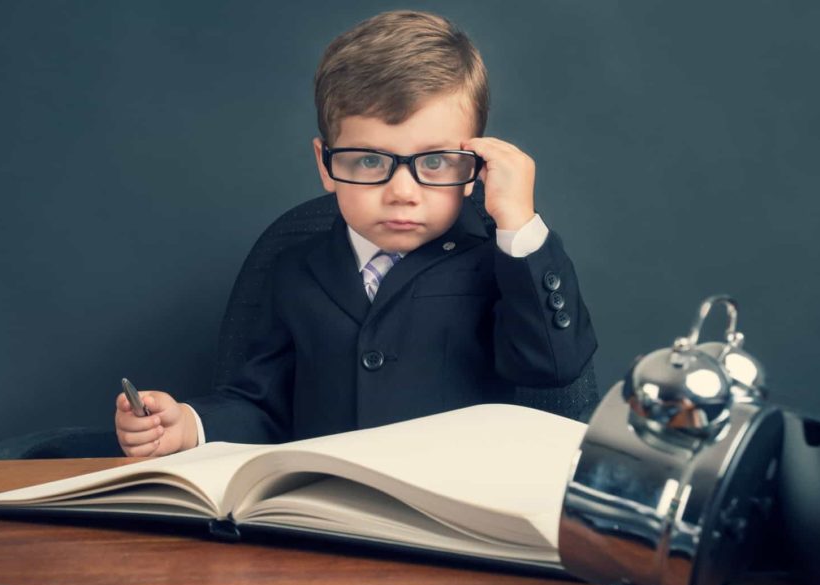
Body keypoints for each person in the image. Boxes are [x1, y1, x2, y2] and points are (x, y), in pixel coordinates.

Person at [115, 10, 597, 457]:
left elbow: (553, 366)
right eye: (370, 160)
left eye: (434, 162)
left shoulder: (498, 261)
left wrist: (519, 223)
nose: (402, 191)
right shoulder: (294, 269)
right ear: (325, 164)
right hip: (322, 516)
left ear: (475, 167)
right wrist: (189, 425)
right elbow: (263, 407)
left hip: (453, 520)